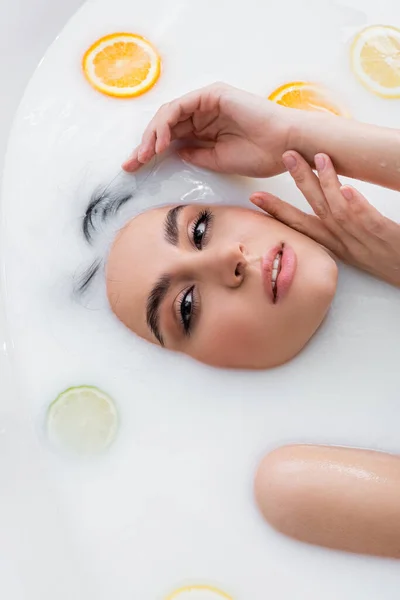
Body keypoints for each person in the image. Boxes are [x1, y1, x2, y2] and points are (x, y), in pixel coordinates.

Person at [119, 82, 400, 558]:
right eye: (186, 306)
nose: (227, 258)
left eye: (201, 229)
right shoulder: (293, 482)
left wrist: (295, 135)